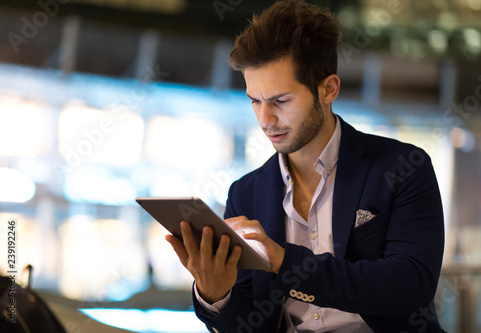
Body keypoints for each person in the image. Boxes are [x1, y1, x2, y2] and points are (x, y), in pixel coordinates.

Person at [165, 0, 445, 332]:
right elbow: (249, 325)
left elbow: (410, 288)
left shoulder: (403, 167)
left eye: (280, 101)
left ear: (328, 89)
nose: (265, 120)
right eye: (255, 101)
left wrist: (284, 261)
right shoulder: (246, 193)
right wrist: (215, 291)